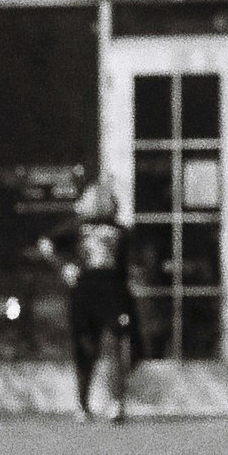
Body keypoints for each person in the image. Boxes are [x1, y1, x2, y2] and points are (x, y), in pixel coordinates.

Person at [55, 179, 138, 422]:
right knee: (88, 347)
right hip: (89, 291)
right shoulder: (78, 228)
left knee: (113, 346)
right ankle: (87, 404)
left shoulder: (121, 231)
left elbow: (128, 263)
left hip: (111, 291)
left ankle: (113, 403)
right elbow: (48, 244)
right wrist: (65, 268)